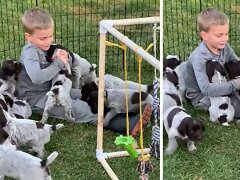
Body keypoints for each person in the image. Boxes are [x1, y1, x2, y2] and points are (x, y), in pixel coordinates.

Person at [16, 7, 149, 136]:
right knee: (78, 108)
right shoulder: (30, 53)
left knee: (89, 96)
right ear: (29, 37)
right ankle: (126, 125)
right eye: (43, 38)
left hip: (53, 89)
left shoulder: (45, 47)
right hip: (37, 98)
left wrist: (64, 57)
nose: (49, 41)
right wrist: (58, 63)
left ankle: (129, 108)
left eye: (51, 36)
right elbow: (37, 78)